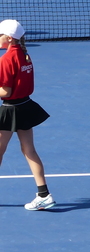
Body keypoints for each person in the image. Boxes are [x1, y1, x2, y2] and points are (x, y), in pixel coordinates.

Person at [0, 20, 55, 211]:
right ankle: (44, 195)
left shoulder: (6, 59)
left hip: (10, 109)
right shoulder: (25, 54)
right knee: (29, 150)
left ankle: (44, 195)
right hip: (25, 105)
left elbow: (5, 92)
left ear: (8, 38)